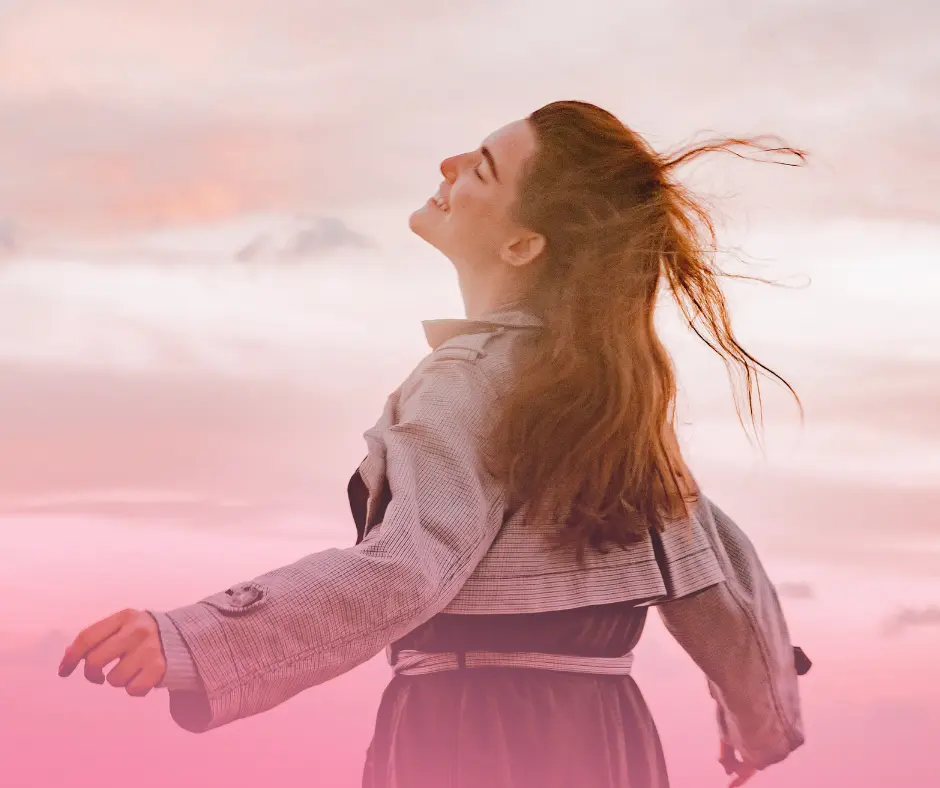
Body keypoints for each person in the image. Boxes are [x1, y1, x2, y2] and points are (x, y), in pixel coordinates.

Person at [59, 100, 810, 788]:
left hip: (470, 732)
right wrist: (764, 723)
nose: (448, 165)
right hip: (609, 738)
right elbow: (716, 574)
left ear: (523, 244)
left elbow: (402, 572)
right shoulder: (611, 401)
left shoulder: (461, 384)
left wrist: (194, 639)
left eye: (480, 166)